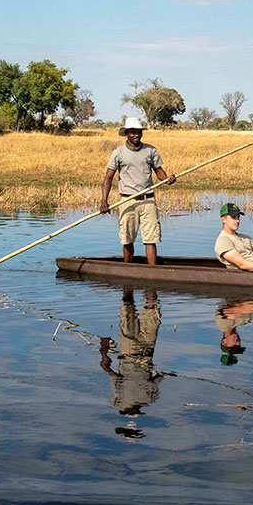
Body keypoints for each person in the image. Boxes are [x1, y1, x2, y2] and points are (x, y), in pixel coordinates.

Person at [99, 117, 176, 265]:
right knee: (127, 239)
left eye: (139, 132)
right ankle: (128, 269)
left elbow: (159, 172)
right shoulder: (118, 153)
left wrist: (167, 179)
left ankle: (152, 271)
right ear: (126, 133)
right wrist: (104, 201)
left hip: (148, 200)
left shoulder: (150, 150)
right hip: (128, 201)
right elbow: (108, 178)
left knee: (151, 239)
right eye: (133, 132)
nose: (136, 135)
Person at [98, 288, 163, 436]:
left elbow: (109, 371)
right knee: (148, 309)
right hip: (145, 352)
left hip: (130, 352)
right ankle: (143, 283)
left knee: (131, 308)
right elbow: (158, 378)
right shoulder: (149, 398)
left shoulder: (121, 400)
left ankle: (130, 284)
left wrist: (104, 350)